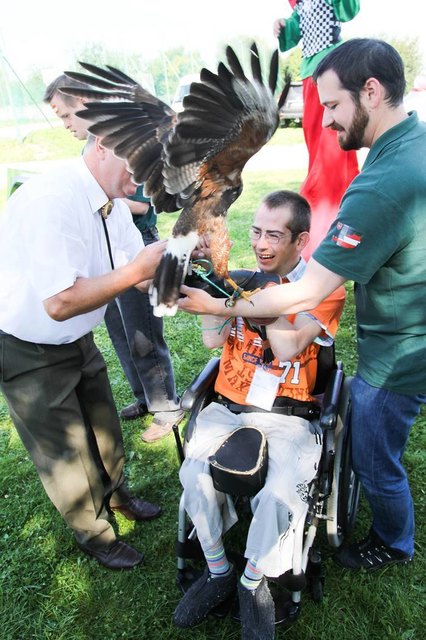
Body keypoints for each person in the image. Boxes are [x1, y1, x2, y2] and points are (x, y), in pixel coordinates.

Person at [178, 39, 426, 574]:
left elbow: (309, 292)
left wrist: (225, 306)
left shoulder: (384, 182)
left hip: (401, 352)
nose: (327, 121)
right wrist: (221, 294)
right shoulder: (410, 149)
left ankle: (394, 543)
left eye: (332, 106)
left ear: (372, 91)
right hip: (402, 334)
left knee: (375, 461)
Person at [173, 190, 345, 638]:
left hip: (290, 415)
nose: (261, 244)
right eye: (255, 232)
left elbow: (288, 346)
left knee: (279, 494)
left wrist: (248, 300)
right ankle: (218, 570)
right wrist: (210, 279)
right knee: (195, 474)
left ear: (301, 240)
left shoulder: (324, 290)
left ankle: (253, 583)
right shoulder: (241, 278)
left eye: (274, 234)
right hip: (230, 407)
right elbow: (214, 339)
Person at [0, 135, 167, 569]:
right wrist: (136, 270)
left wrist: (181, 261)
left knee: (103, 425)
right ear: (102, 144)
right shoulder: (52, 199)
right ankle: (95, 533)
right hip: (25, 345)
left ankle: (116, 495)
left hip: (78, 337)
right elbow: (59, 303)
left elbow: (143, 275)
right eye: (141, 160)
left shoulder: (112, 200)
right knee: (65, 451)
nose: (148, 174)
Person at [43, 76, 183, 442]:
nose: (67, 125)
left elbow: (143, 201)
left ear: (88, 101)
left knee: (143, 334)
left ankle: (165, 405)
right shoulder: (87, 161)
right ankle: (143, 396)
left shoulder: (128, 146)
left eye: (68, 114)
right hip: (107, 250)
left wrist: (171, 262)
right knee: (119, 331)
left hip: (134, 242)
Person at [273, 0, 360, 257]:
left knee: (332, 151)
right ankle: (320, 215)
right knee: (316, 149)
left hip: (332, 66)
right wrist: (280, 27)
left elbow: (350, 10)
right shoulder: (300, 6)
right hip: (309, 74)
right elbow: (291, 34)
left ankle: (328, 219)